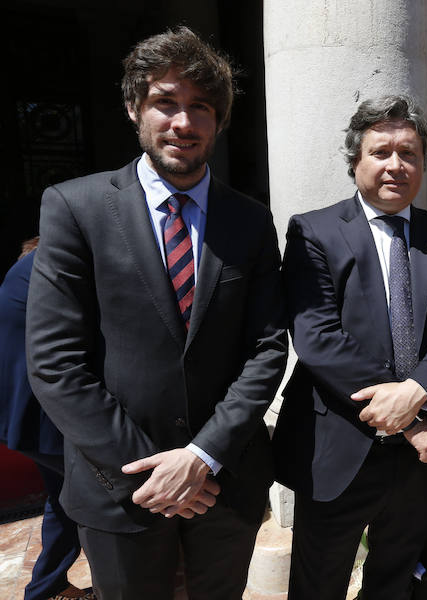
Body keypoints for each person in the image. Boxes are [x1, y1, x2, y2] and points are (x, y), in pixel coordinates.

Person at [25, 27, 287, 599]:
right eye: (165, 102)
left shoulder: (249, 221)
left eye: (200, 107)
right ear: (133, 108)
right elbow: (55, 366)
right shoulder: (75, 208)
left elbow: (267, 349)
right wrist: (158, 472)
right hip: (118, 489)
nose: (183, 123)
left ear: (218, 121)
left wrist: (202, 457)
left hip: (224, 485)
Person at [273, 94, 427, 600]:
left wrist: (418, 391)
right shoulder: (314, 230)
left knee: (394, 581)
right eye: (381, 152)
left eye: (409, 153)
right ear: (355, 161)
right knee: (318, 582)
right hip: (339, 448)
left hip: (418, 465)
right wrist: (410, 418)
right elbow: (318, 338)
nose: (396, 165)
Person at [1, 238, 94, 600]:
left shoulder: (27, 266)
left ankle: (46, 588)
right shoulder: (55, 263)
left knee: (63, 500)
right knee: (109, 497)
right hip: (39, 415)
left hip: (23, 415)